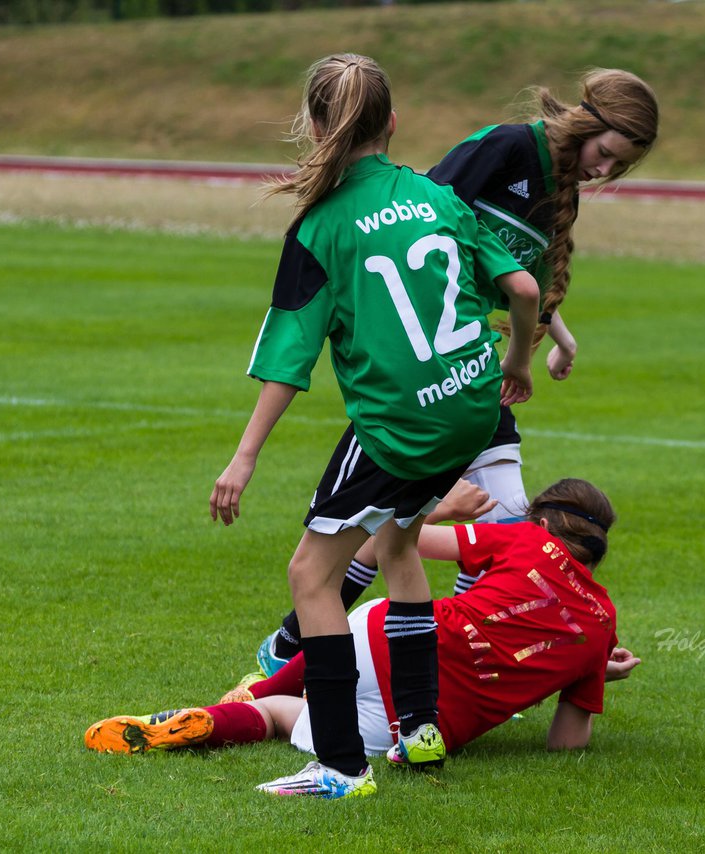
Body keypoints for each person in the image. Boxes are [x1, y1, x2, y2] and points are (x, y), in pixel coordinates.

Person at [206, 54, 541, 799]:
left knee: (310, 576)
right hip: (474, 406)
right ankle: (419, 730)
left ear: (318, 126)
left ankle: (339, 765)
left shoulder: (321, 227)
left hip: (403, 425)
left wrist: (244, 457)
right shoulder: (435, 195)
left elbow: (289, 359)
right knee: (396, 541)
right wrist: (517, 358)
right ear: (392, 124)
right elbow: (522, 286)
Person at [253, 68, 660, 677]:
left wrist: (560, 336)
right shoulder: (507, 148)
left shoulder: (561, 182)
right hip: (423, 370)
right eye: (604, 153)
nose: (603, 170)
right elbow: (422, 221)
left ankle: (471, 660)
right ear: (587, 124)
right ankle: (300, 649)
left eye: (618, 166)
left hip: (465, 368)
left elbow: (518, 275)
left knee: (481, 521)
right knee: (410, 526)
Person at [86, 479, 640, 772]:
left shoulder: (528, 539)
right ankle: (233, 713)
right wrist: (591, 671)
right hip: (425, 727)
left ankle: (225, 704)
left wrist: (443, 507)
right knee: (284, 718)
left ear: (543, 523)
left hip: (394, 639)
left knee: (344, 644)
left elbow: (395, 542)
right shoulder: (604, 624)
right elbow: (565, 746)